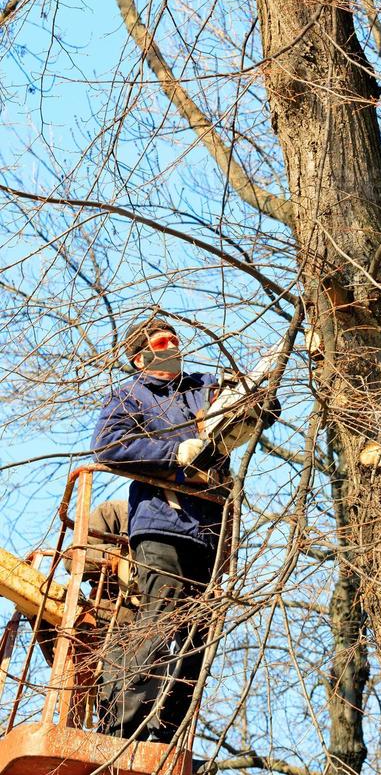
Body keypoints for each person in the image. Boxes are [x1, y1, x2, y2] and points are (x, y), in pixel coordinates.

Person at [91, 314, 229, 744]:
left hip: (210, 530)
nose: (172, 348)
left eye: (175, 340)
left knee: (198, 637)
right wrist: (174, 452)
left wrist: (254, 401)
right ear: (140, 358)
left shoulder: (204, 385)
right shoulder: (131, 395)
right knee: (159, 621)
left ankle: (167, 734)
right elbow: (108, 445)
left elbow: (256, 407)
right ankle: (122, 731)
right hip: (163, 524)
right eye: (162, 343)